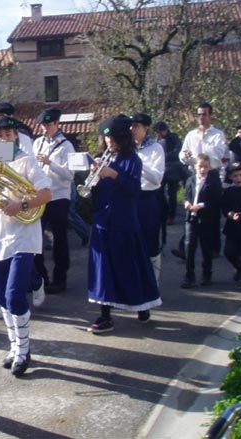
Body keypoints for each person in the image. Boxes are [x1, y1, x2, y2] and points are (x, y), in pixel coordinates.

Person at [0, 115, 52, 376]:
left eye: (8, 134)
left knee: (14, 295)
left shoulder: (26, 159)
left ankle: (23, 350)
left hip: (24, 235)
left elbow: (46, 193)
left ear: (16, 136)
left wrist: (21, 204)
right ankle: (14, 346)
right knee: (1, 297)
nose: (4, 138)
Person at [87, 115, 162, 334]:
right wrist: (94, 177)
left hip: (124, 222)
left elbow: (133, 190)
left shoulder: (132, 160)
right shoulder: (103, 157)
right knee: (103, 269)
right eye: (106, 139)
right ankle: (105, 316)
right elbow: (96, 193)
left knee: (130, 267)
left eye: (113, 139)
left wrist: (113, 174)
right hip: (103, 221)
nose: (109, 143)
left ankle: (142, 305)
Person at [173, 102, 226, 259]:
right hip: (194, 175)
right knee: (192, 210)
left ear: (210, 116)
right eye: (199, 114)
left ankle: (214, 247)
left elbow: (217, 155)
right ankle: (185, 247)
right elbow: (182, 155)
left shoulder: (217, 134)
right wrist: (187, 157)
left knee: (212, 212)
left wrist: (200, 152)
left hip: (212, 175)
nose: (201, 117)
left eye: (204, 114)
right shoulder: (191, 134)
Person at [32, 108, 75, 295]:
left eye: (49, 125)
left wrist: (50, 163)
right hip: (41, 196)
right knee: (34, 238)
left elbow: (70, 175)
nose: (45, 128)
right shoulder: (37, 143)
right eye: (43, 125)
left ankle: (60, 279)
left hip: (58, 197)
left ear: (57, 124)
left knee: (59, 239)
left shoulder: (67, 146)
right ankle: (40, 278)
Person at [130, 113, 165, 282]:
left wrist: (138, 163)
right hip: (130, 198)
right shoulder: (127, 148)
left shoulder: (156, 148)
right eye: (131, 126)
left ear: (145, 128)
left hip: (148, 198)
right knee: (132, 241)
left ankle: (153, 282)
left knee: (150, 241)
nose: (132, 129)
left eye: (136, 126)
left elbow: (157, 179)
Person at [181, 154, 223, 288]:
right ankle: (189, 275)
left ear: (209, 168)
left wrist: (202, 205)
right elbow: (186, 195)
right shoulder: (190, 180)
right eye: (200, 167)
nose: (203, 170)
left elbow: (216, 201)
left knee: (206, 247)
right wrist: (187, 203)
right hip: (191, 217)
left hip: (206, 218)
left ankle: (206, 274)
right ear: (195, 167)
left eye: (206, 167)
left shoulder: (214, 182)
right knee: (189, 247)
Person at [153, 120, 182, 226]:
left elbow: (178, 150)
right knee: (159, 192)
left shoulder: (174, 137)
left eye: (160, 131)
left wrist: (165, 155)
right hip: (162, 170)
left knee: (172, 194)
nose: (159, 134)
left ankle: (171, 215)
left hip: (173, 169)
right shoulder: (157, 140)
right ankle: (163, 212)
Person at [221, 161, 241, 287]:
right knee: (229, 252)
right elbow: (224, 207)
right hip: (233, 226)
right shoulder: (229, 191)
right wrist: (229, 213)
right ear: (231, 177)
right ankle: (240, 269)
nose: (238, 178)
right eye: (235, 176)